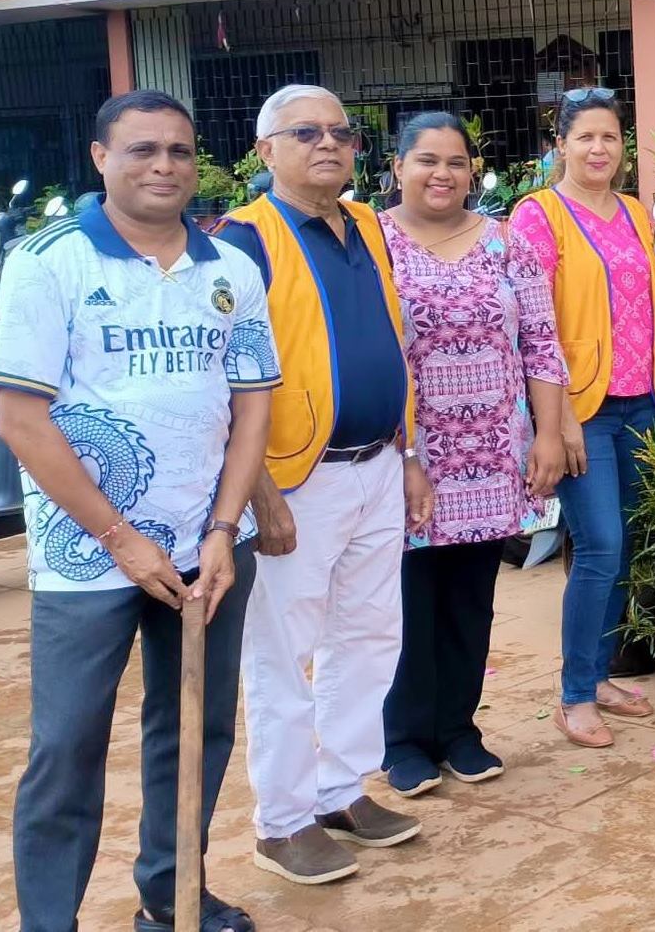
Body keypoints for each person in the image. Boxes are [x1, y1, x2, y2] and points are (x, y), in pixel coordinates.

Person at [0, 91, 277, 932]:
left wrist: (224, 528)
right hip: (87, 552)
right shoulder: (49, 263)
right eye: (142, 150)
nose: (164, 166)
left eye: (179, 151)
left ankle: (170, 891)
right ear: (100, 158)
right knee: (67, 743)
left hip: (210, 544)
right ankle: (50, 919)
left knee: (196, 726)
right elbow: (21, 420)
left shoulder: (230, 268)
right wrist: (119, 537)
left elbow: (252, 406)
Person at [215, 84, 434, 884]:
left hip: (376, 465)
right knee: (283, 652)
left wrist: (406, 454)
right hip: (294, 480)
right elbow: (225, 378)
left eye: (341, 133)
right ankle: (282, 821)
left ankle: (342, 790)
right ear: (266, 149)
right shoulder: (244, 240)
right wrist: (259, 491)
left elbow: (392, 339)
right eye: (306, 132)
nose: (329, 144)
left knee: (369, 636)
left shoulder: (367, 224)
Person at [375, 113, 572, 795]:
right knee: (409, 598)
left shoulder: (507, 243)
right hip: (409, 454)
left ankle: (459, 729)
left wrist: (548, 434)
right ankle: (403, 738)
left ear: (472, 172)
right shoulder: (372, 242)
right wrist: (403, 452)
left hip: (492, 454)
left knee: (470, 597)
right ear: (398, 167)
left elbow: (542, 343)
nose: (442, 173)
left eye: (456, 162)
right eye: (427, 160)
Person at [508, 86, 655, 748]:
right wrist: (560, 419)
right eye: (585, 137)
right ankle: (575, 694)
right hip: (582, 409)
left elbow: (647, 307)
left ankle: (600, 675)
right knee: (599, 544)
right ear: (561, 146)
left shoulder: (634, 211)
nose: (599, 149)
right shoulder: (538, 216)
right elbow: (533, 323)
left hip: (644, 402)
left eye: (610, 137)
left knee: (625, 545)